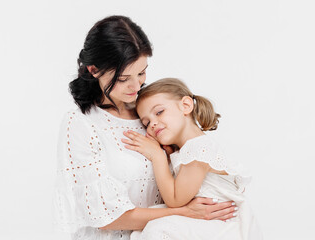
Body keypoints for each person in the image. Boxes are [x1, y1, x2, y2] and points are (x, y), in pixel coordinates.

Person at [53, 16, 237, 240]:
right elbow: (104, 216)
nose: (136, 86)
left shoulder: (153, 113)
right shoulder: (81, 124)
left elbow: (192, 164)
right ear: (94, 70)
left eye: (141, 73)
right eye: (123, 79)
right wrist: (183, 213)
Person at [122, 78, 263, 239]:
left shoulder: (198, 149)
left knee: (159, 229)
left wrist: (157, 157)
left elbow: (175, 200)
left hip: (220, 224)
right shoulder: (186, 151)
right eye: (146, 123)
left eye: (159, 112)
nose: (153, 124)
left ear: (186, 106)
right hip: (208, 221)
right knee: (147, 228)